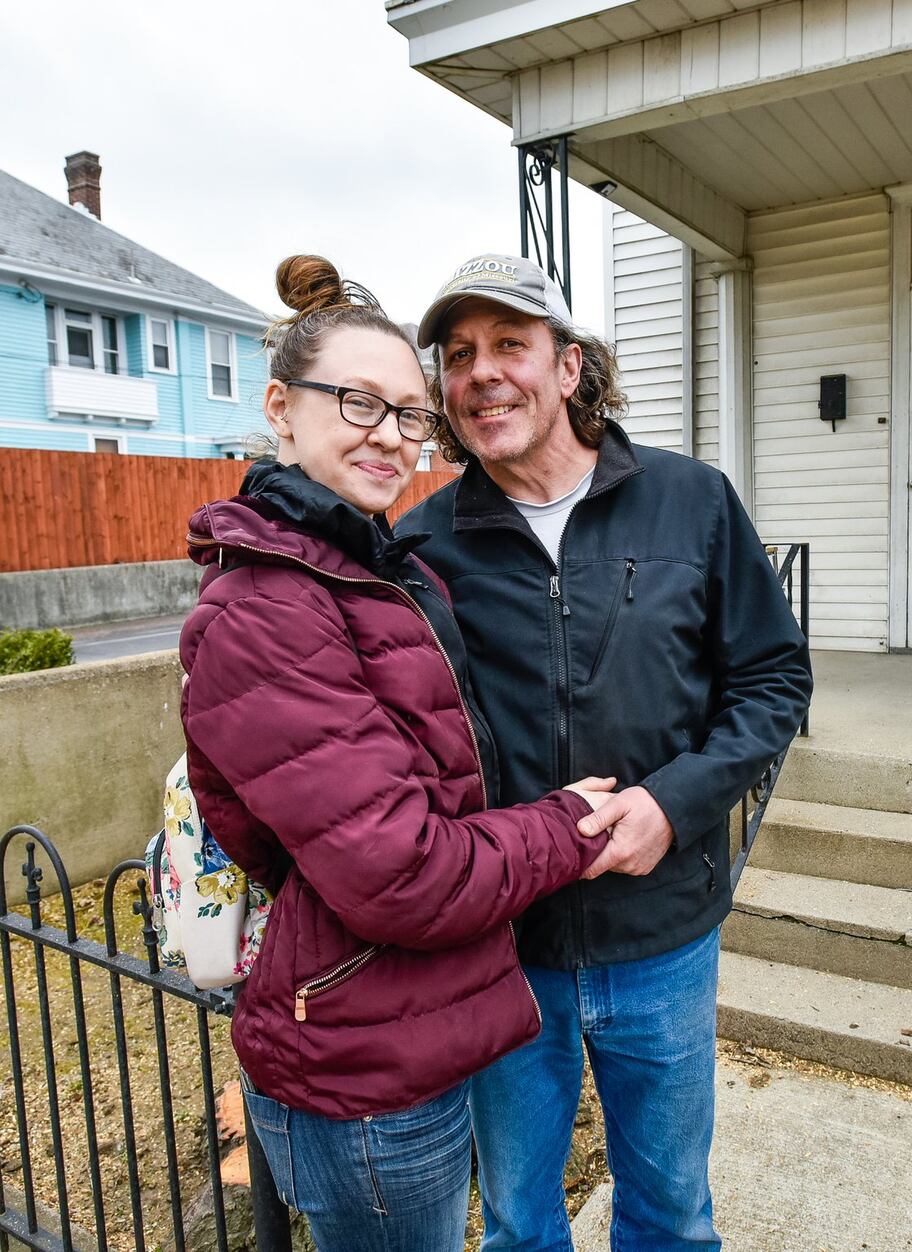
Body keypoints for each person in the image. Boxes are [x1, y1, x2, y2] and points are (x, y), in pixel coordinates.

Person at [179, 255, 617, 1252]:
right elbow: (401, 873)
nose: (391, 434)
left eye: (411, 414)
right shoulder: (267, 608)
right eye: (359, 403)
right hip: (359, 1067)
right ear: (282, 407)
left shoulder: (370, 569)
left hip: (400, 1017)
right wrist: (565, 823)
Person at [398, 254, 812, 1250]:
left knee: (669, 1209)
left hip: (661, 932)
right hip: (502, 943)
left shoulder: (690, 501)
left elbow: (771, 683)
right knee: (515, 1219)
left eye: (509, 345)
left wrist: (673, 803)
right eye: (458, 355)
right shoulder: (421, 547)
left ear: (570, 366)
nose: (482, 372)